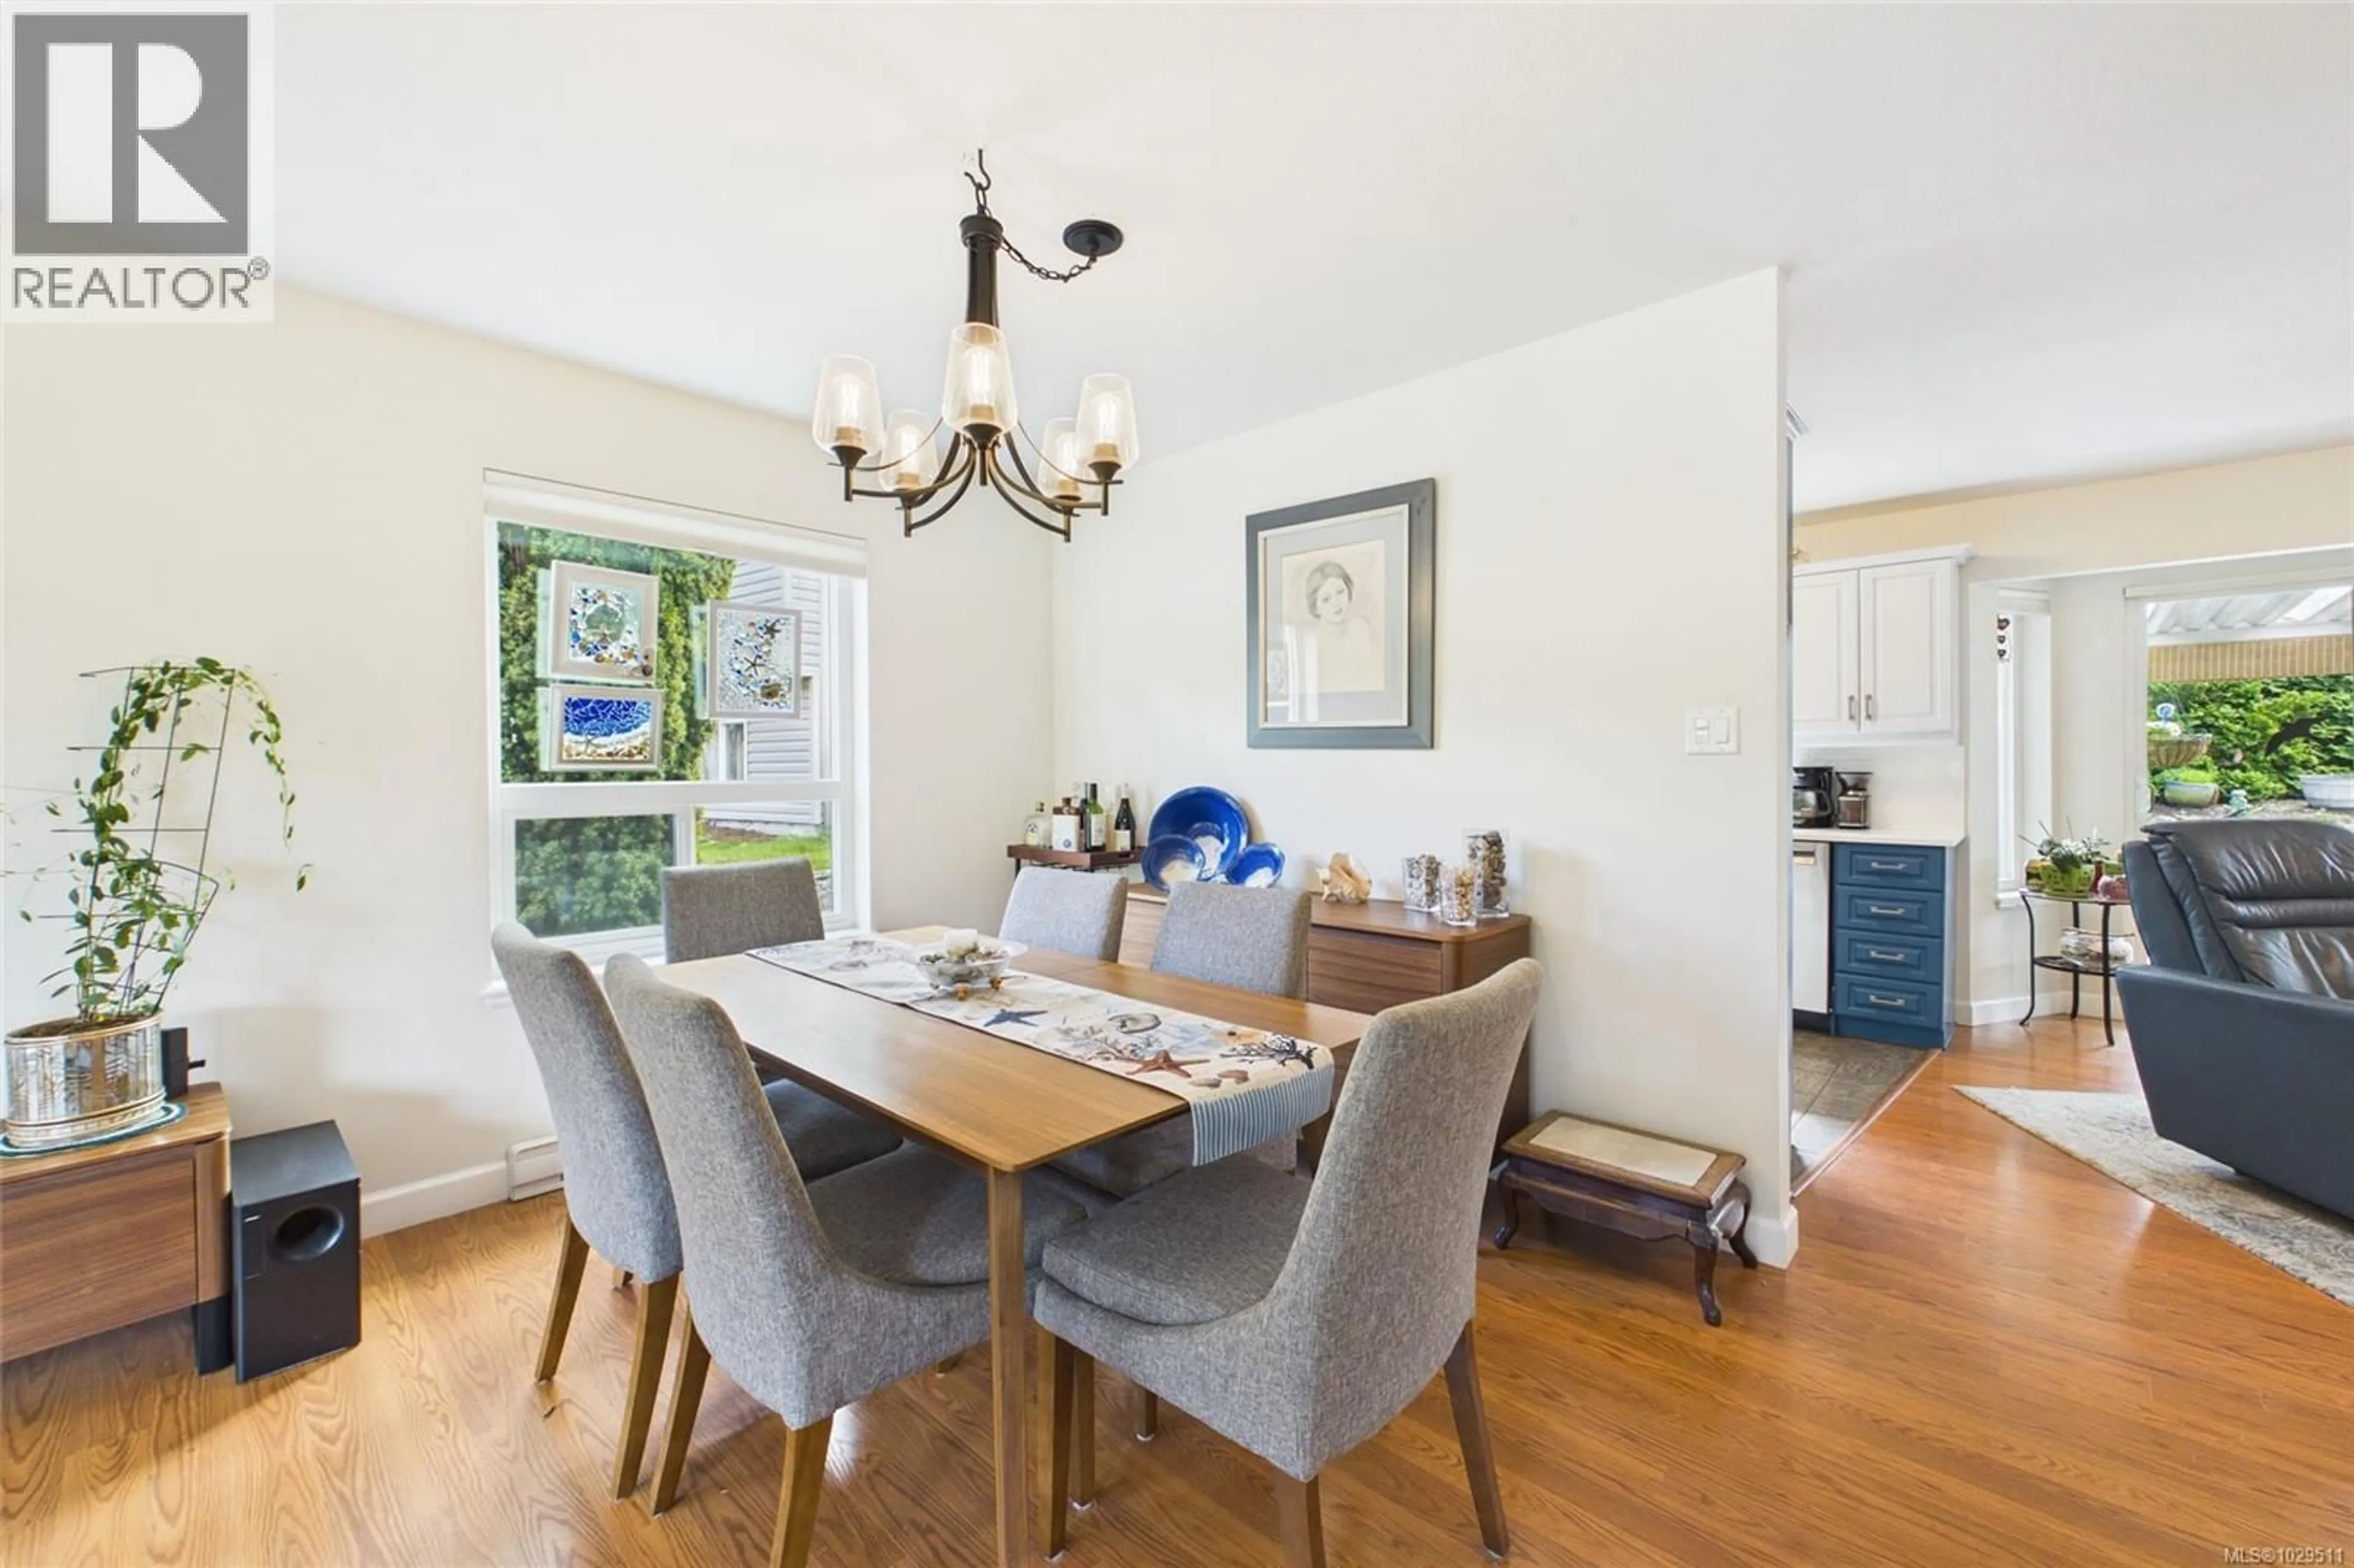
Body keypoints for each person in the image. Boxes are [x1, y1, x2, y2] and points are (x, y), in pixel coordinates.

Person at [1298, 559, 1382, 694]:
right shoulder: (1310, 644)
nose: (1336, 603)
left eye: (1340, 592)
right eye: (1326, 599)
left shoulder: (1362, 628)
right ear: (1315, 606)